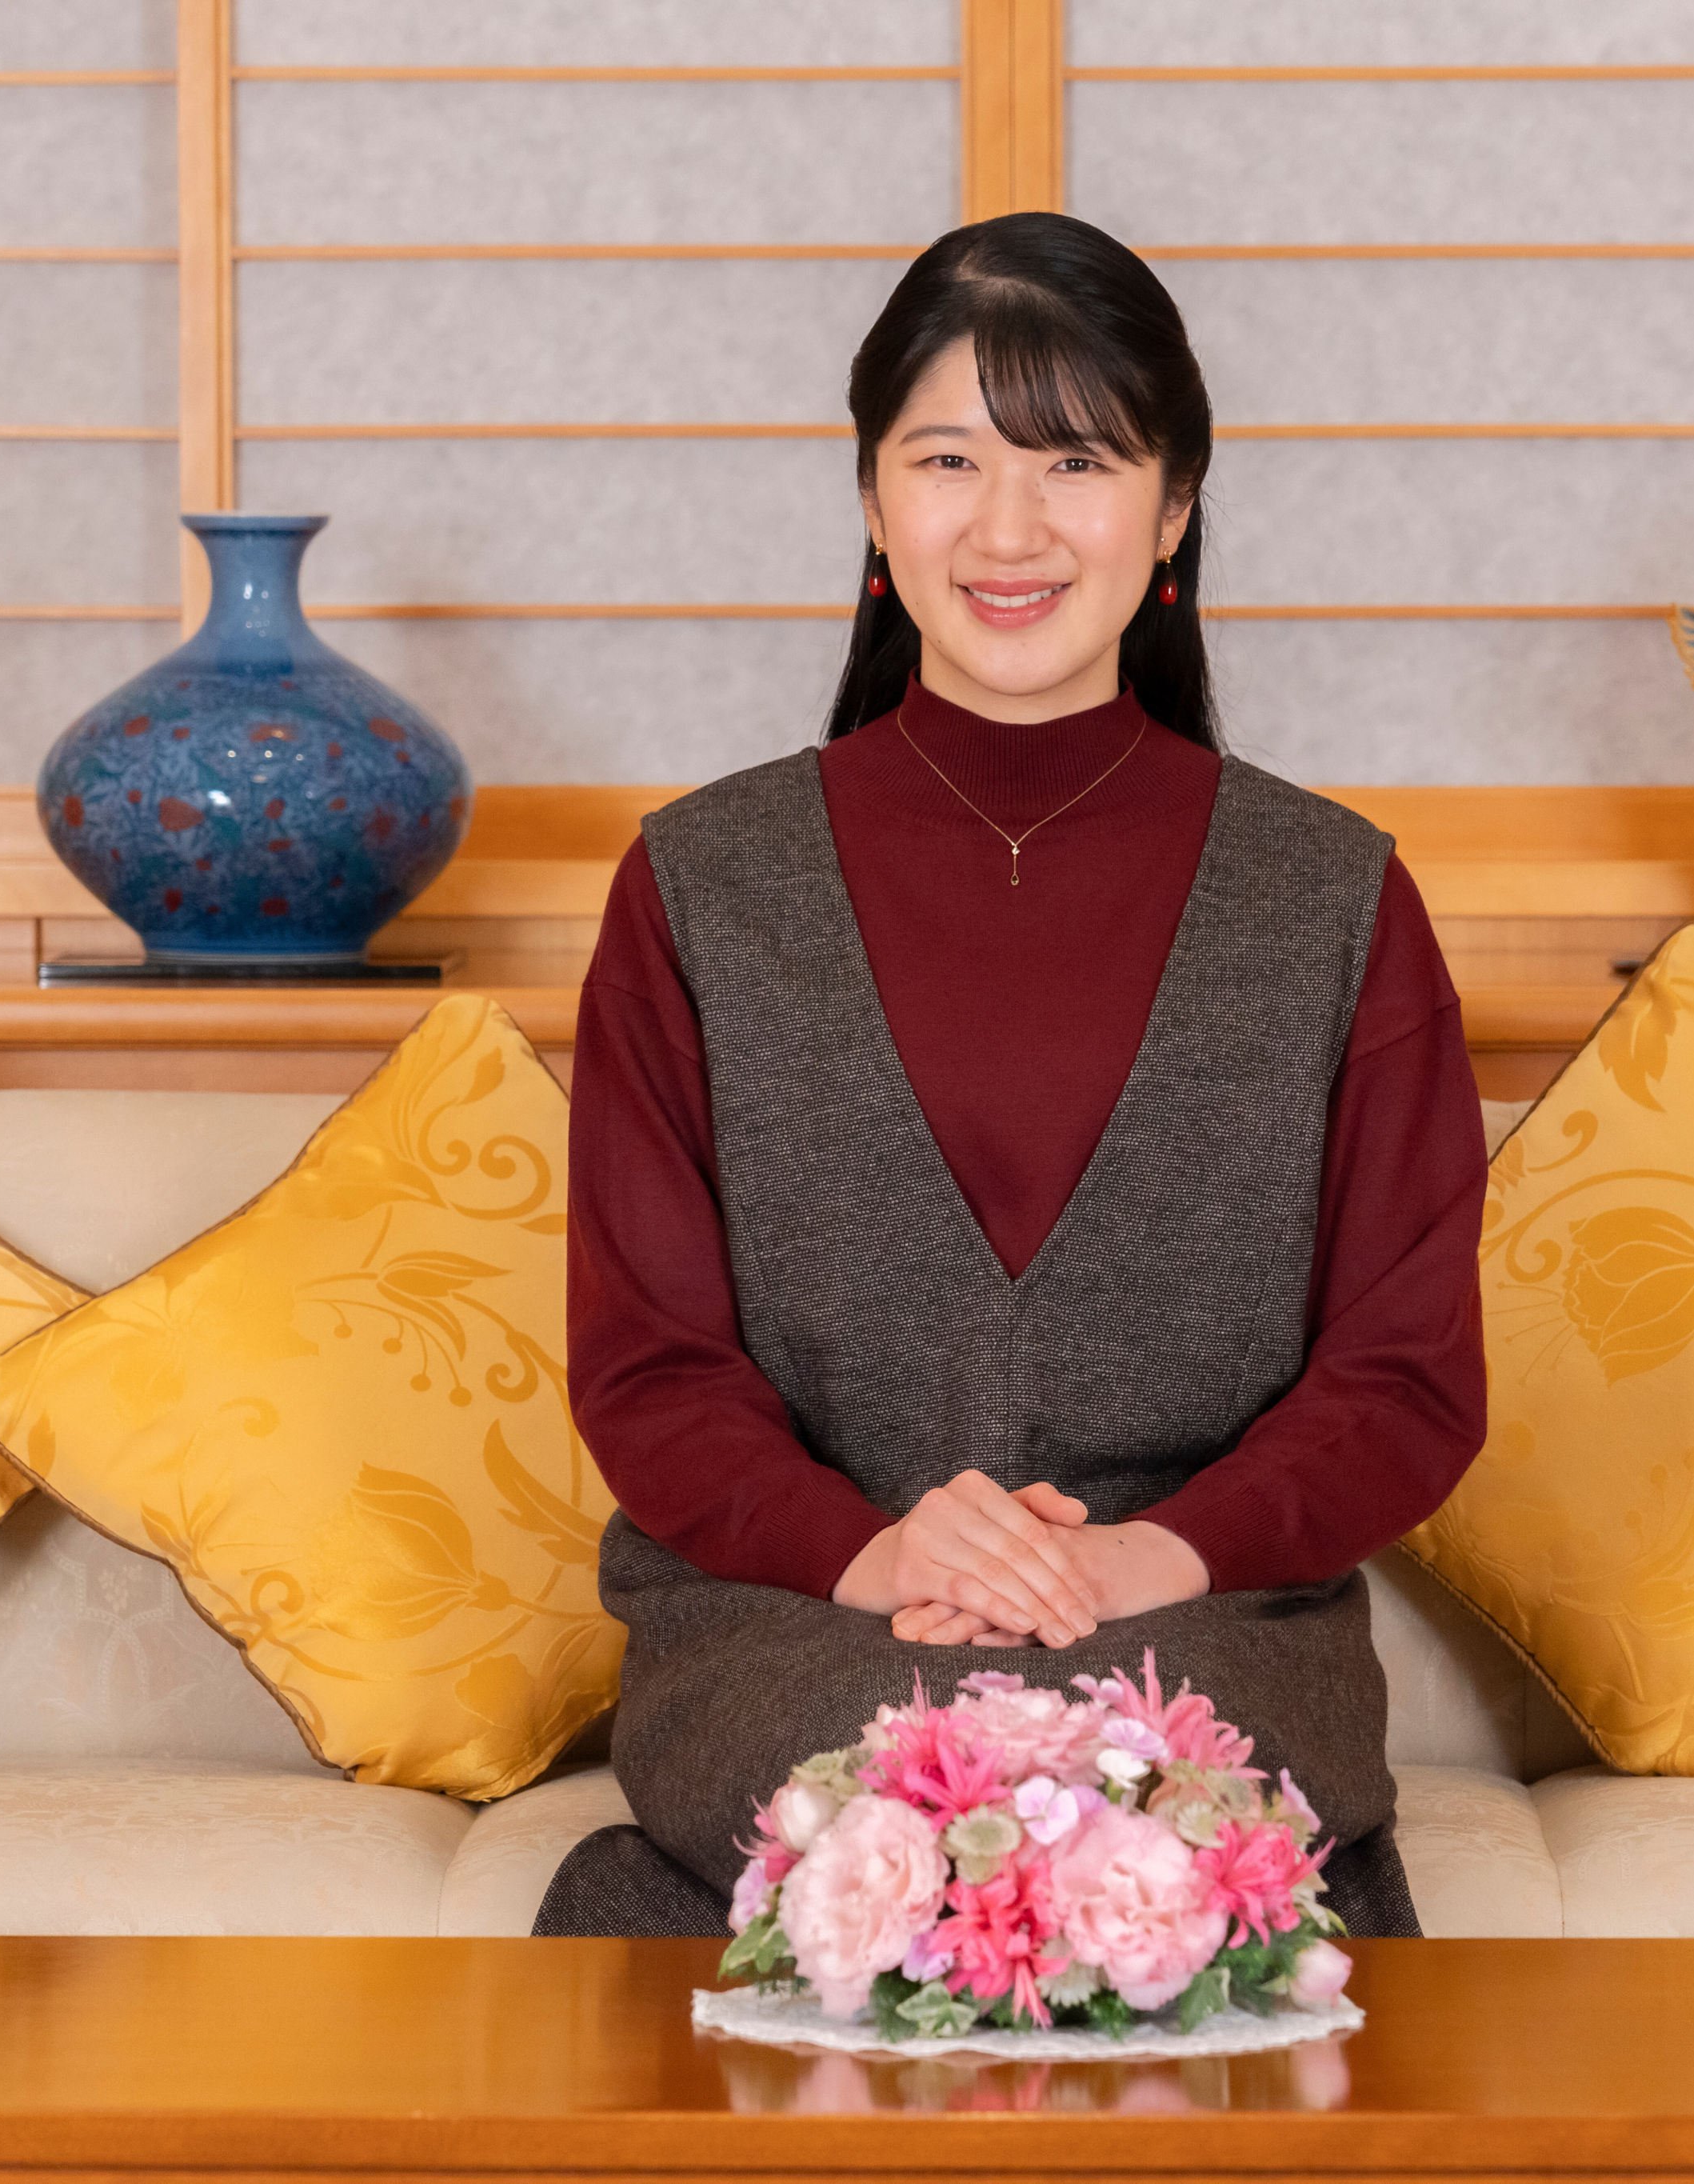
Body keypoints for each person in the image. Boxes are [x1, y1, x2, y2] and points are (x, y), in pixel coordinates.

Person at [533, 211, 1488, 1938]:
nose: (1007, 525)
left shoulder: (1334, 896)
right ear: (872, 505)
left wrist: (1138, 1560)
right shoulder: (697, 885)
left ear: (1175, 508)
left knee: (1129, 1806)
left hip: (1201, 1614)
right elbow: (648, 1368)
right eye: (946, 458)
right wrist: (889, 1553)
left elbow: (1403, 1381)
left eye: (1075, 461)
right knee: (897, 1809)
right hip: (794, 1609)